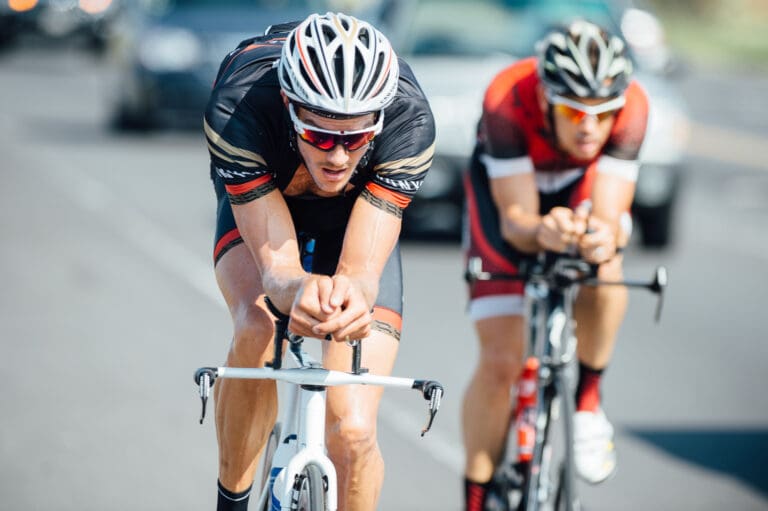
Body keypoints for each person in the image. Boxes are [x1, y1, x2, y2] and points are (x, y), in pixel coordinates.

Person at [203, 12, 435, 511]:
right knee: (257, 326)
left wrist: (353, 298)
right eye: (320, 135)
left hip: (355, 215)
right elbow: (279, 272)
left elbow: (360, 272)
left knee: (351, 430)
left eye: (355, 139)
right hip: (266, 199)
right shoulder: (239, 105)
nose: (336, 156)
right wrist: (293, 289)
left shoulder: (409, 119)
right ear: (289, 105)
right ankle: (233, 502)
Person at [461, 19, 649, 510]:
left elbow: (608, 213)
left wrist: (597, 238)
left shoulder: (635, 109)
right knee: (501, 359)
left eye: (603, 113)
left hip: (578, 186)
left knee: (605, 263)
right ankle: (476, 498)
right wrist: (542, 230)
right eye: (573, 110)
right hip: (508, 194)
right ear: (546, 99)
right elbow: (516, 221)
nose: (590, 127)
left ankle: (587, 402)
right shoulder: (507, 98)